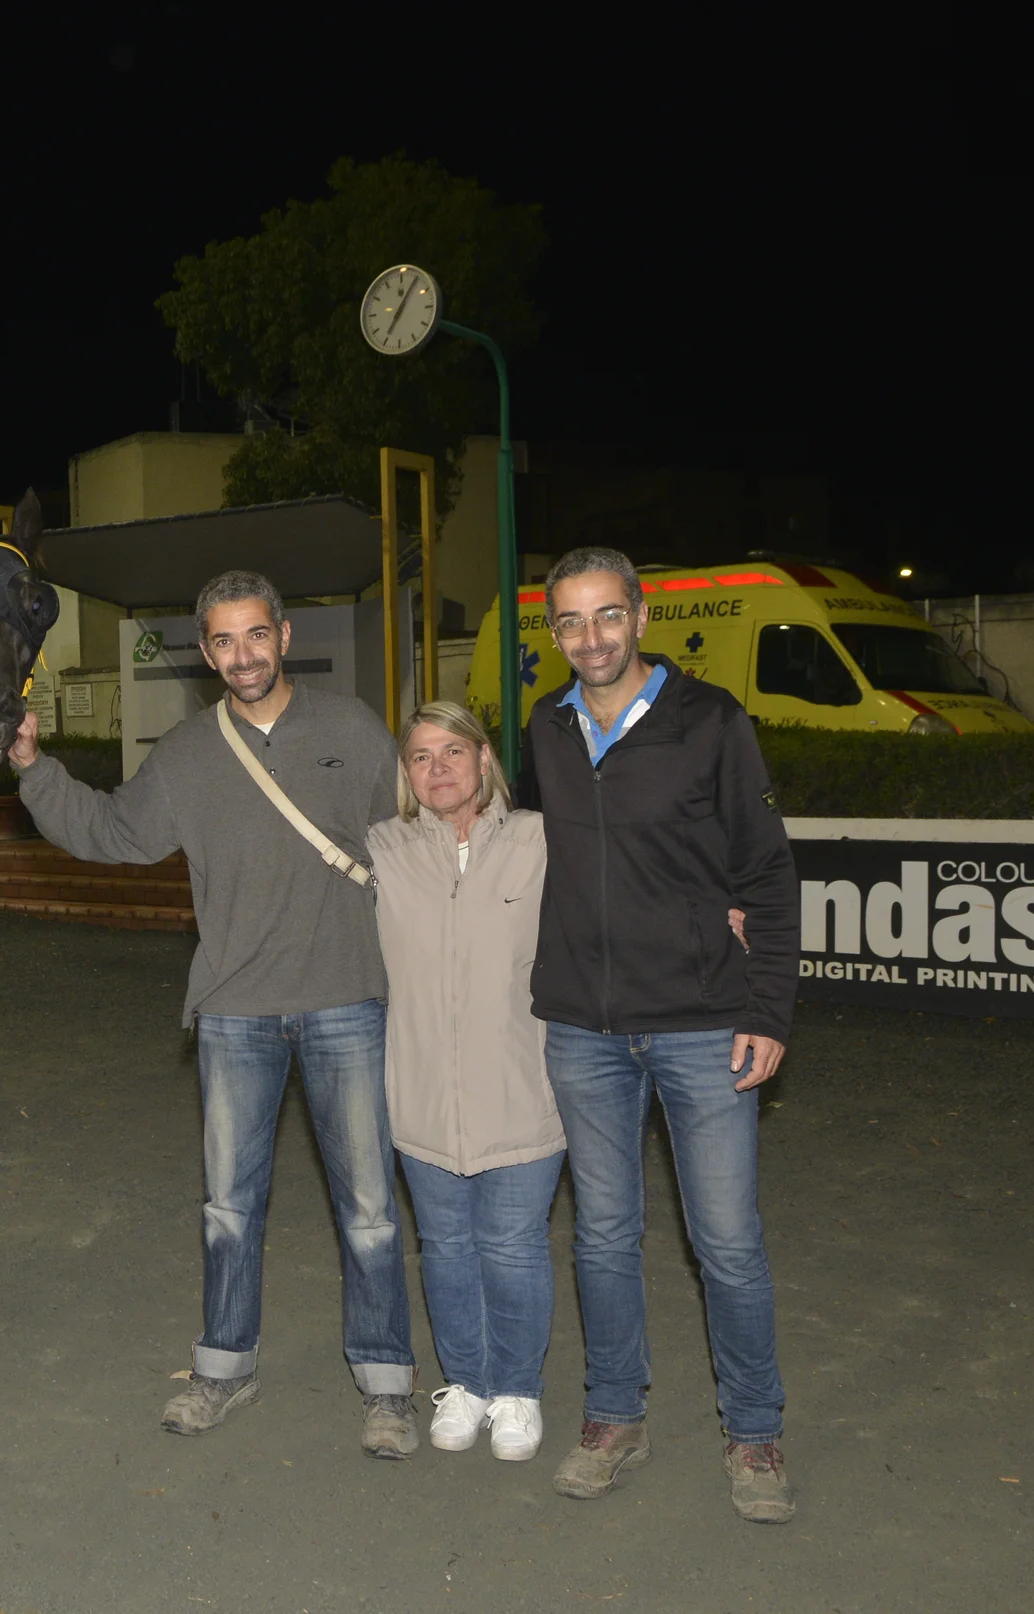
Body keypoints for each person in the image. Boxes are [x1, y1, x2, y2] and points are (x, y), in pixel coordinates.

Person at [7, 570, 421, 1459]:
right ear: (206, 652)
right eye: (224, 641)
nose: (243, 655)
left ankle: (388, 1385)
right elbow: (113, 833)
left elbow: (412, 836)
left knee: (370, 1210)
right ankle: (224, 1369)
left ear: (284, 635)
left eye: (256, 635)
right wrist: (34, 769)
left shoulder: (350, 728)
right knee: (229, 1208)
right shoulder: (189, 753)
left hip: (347, 997)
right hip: (235, 1008)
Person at [519, 544, 801, 1524]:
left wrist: (767, 1007)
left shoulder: (710, 720)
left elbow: (766, 872)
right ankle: (613, 1417)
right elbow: (538, 852)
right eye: (569, 620)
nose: (590, 637)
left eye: (607, 615)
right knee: (602, 1237)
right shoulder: (546, 726)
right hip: (584, 1030)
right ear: (554, 632)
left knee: (726, 1243)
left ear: (640, 617)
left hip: (701, 1024)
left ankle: (754, 1433)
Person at [367, 699, 564, 1465]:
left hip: (521, 1088)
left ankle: (517, 1390)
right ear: (406, 774)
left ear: (485, 760)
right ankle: (468, 1384)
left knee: (512, 1248)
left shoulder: (540, 840)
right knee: (445, 1246)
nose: (438, 767)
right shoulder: (382, 848)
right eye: (421, 756)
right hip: (420, 1094)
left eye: (453, 750)